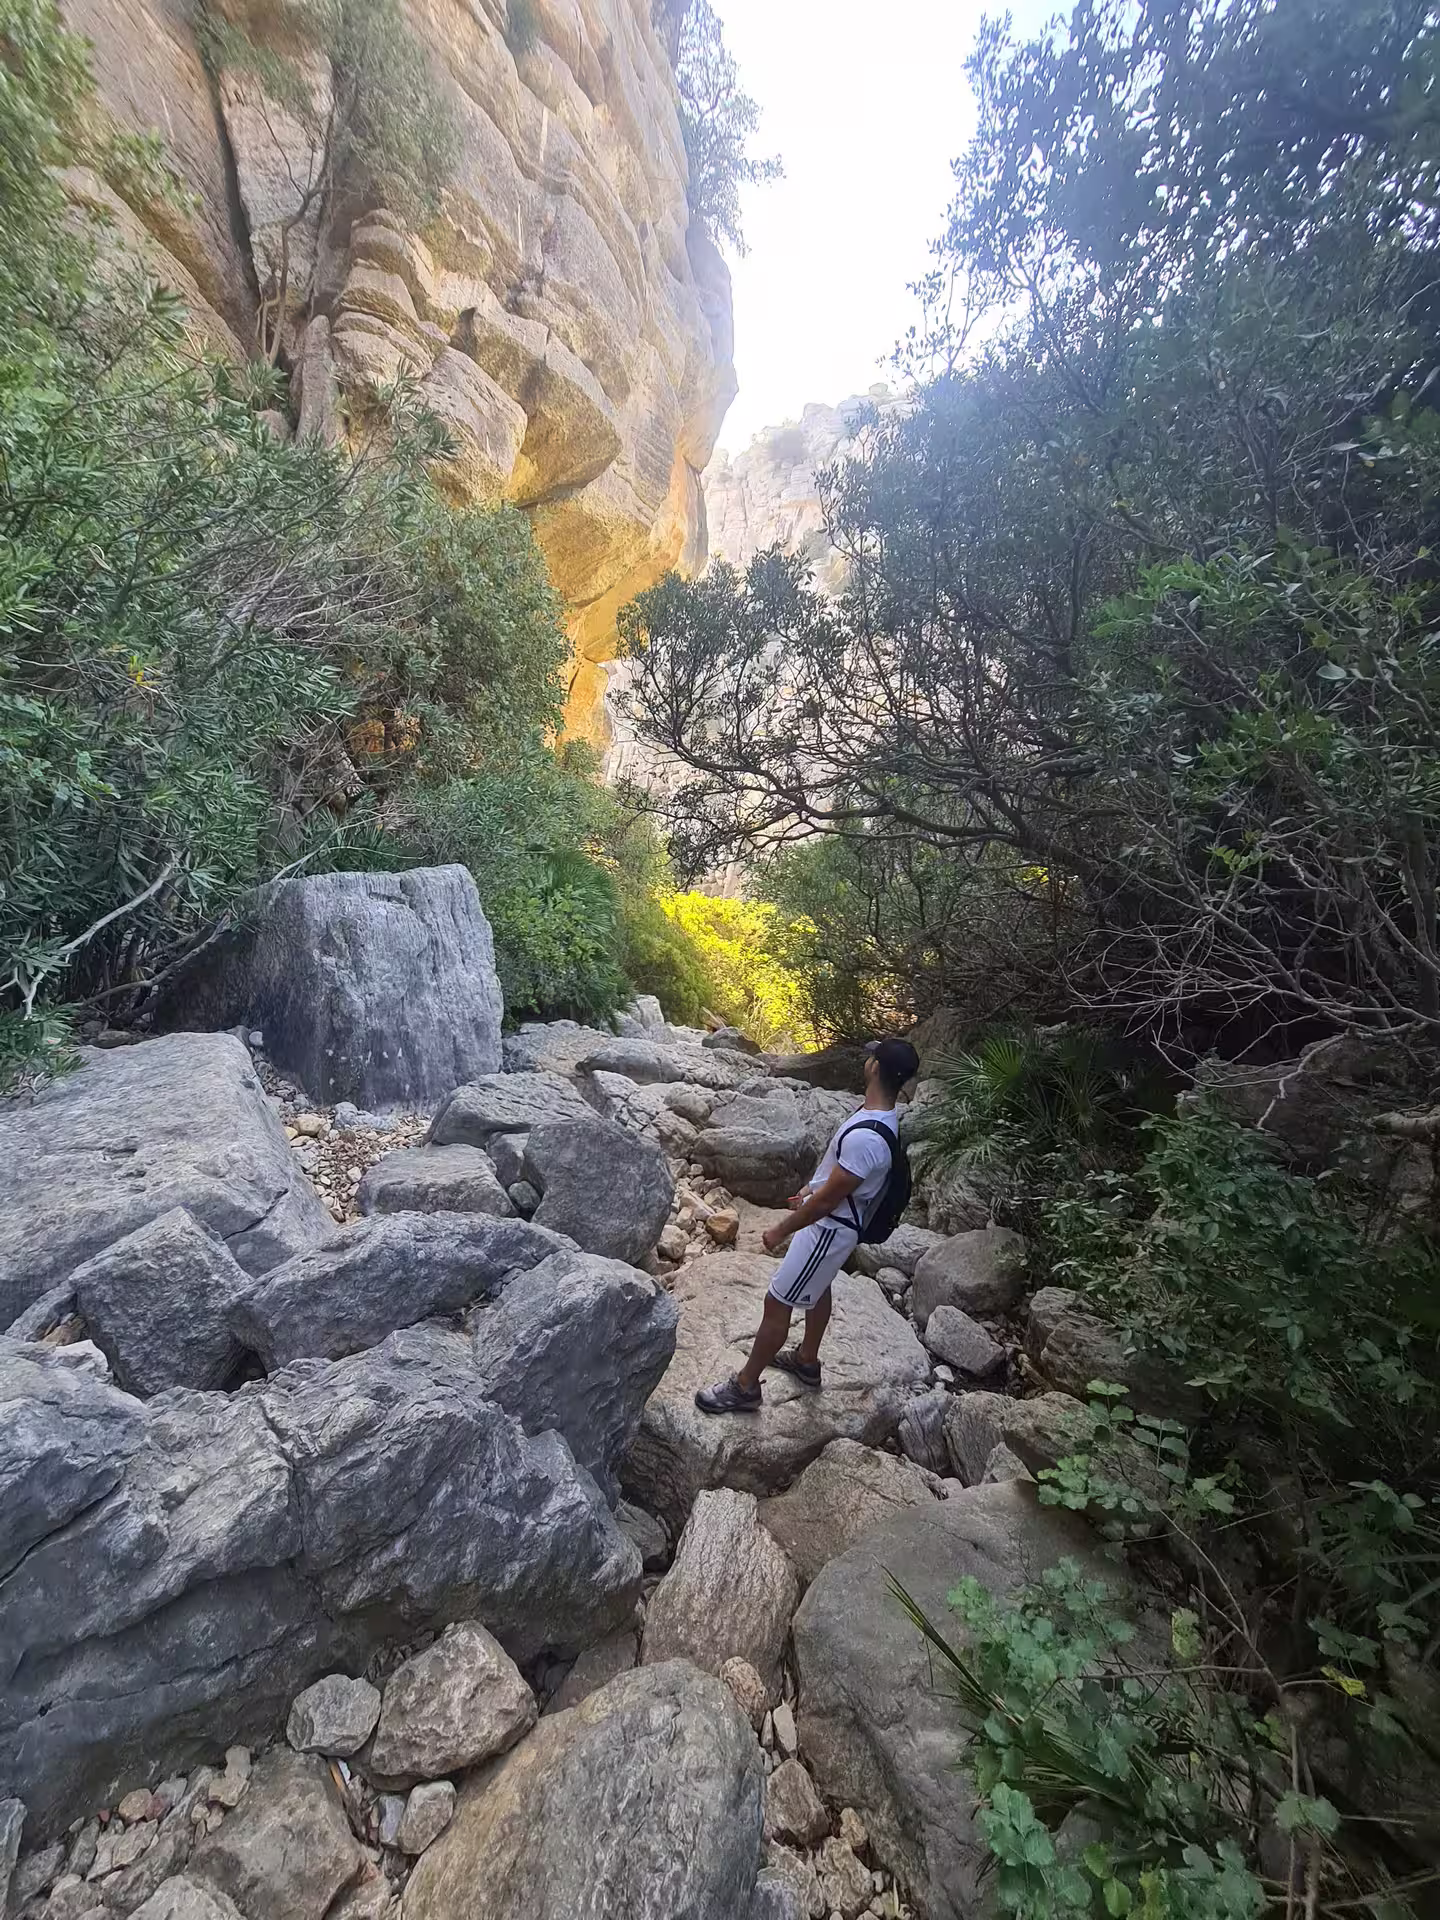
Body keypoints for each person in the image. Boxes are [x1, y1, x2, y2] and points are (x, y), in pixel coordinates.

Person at [694, 1035, 920, 1414]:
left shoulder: (868, 1138)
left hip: (829, 1229)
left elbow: (830, 1202)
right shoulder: (877, 1117)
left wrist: (781, 1229)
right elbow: (836, 1180)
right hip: (835, 1222)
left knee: (777, 1300)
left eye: (871, 1058)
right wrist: (811, 1187)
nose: (867, 1061)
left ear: (876, 1068)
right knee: (819, 1287)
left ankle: (745, 1387)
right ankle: (806, 1361)